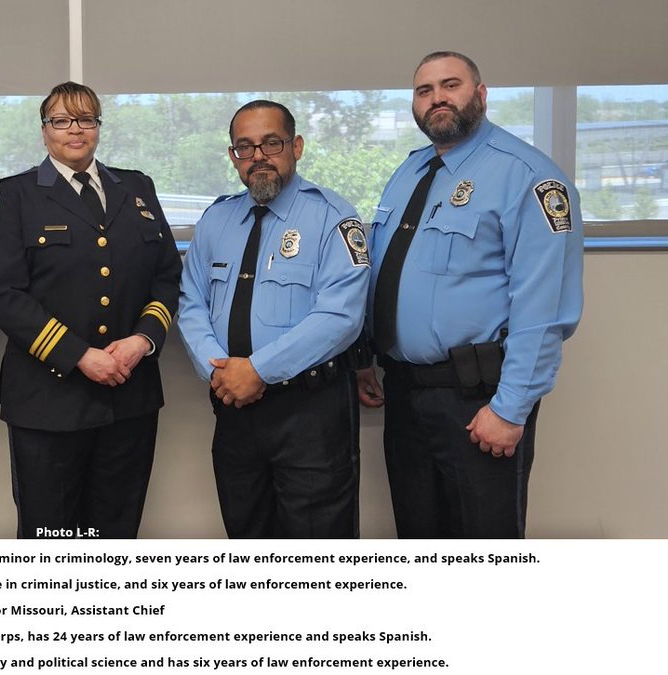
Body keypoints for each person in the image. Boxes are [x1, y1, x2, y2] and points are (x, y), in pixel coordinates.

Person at [358, 51, 584, 538]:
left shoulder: (528, 176)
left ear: (480, 95)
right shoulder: (411, 171)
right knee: (419, 538)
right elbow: (384, 272)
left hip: (478, 399)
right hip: (404, 392)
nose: (437, 98)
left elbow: (543, 307)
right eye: (424, 90)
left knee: (484, 550)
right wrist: (365, 357)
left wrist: (509, 408)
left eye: (450, 85)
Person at [0, 82, 181, 539]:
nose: (76, 129)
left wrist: (142, 340)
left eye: (87, 119)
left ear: (98, 127)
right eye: (62, 120)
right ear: (44, 130)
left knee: (117, 531)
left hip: (129, 397)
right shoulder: (14, 194)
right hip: (48, 400)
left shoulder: (136, 187)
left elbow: (167, 277)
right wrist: (79, 355)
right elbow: (3, 294)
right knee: (49, 536)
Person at [177, 100, 370, 539]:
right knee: (247, 534)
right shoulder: (216, 220)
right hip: (233, 409)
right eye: (245, 147)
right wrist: (222, 372)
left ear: (296, 147)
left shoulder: (333, 217)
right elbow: (191, 303)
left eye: (271, 143)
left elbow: (340, 316)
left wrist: (258, 370)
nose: (258, 156)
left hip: (310, 413)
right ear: (233, 157)